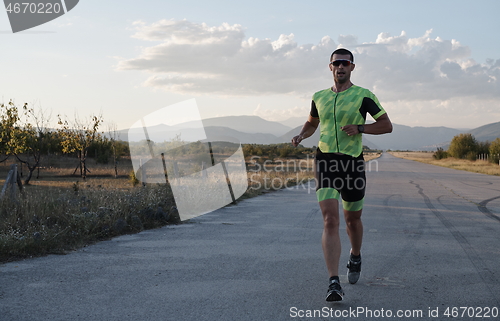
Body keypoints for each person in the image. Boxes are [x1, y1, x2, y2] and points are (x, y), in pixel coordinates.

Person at [291, 48, 392, 301]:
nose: (341, 67)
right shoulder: (319, 97)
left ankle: (355, 255)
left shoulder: (363, 96)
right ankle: (333, 281)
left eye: (345, 63)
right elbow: (313, 122)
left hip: (352, 164)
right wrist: (303, 134)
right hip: (325, 160)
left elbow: (386, 125)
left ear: (352, 67)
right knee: (329, 220)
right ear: (330, 67)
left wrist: (360, 127)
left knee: (352, 221)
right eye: (337, 63)